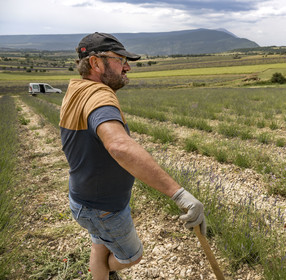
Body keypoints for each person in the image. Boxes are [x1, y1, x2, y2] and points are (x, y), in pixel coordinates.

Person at [59, 32, 206, 280]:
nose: (127, 67)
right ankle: (104, 271)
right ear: (95, 63)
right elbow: (119, 146)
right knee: (131, 256)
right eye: (120, 60)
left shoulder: (77, 89)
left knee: (100, 243)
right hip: (102, 207)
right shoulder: (99, 96)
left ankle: (101, 272)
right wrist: (180, 195)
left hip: (84, 198)